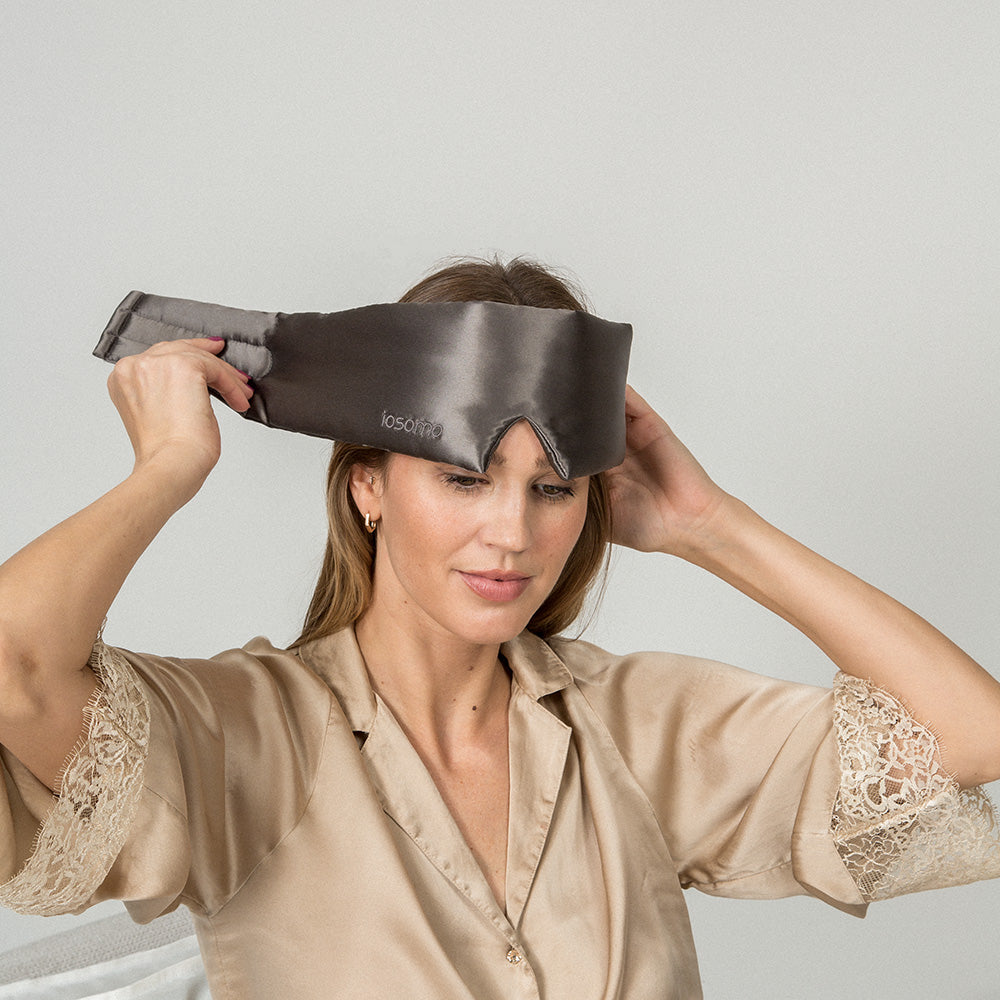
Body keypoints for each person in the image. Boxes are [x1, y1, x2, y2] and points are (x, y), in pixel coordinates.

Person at [1, 257, 998, 999]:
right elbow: (17, 673)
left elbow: (966, 734)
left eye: (553, 488)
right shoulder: (239, 735)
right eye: (464, 478)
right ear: (368, 487)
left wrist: (710, 527)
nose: (511, 533)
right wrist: (165, 469)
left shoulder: (637, 727)